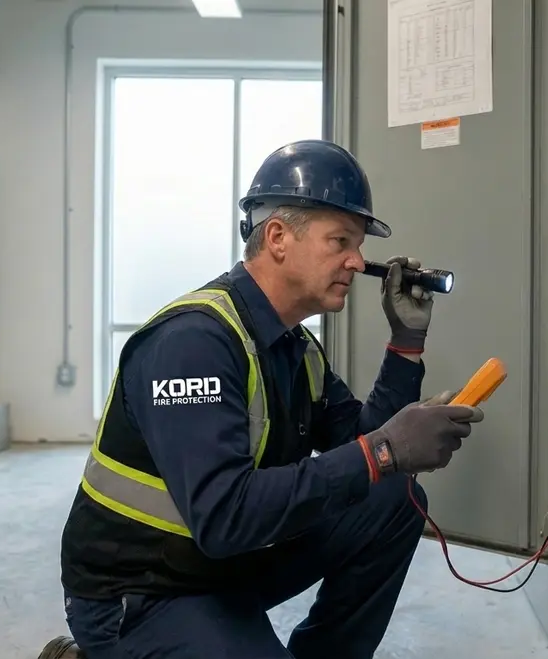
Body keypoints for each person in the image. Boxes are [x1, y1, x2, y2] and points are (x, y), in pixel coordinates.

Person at [42, 139, 485, 659]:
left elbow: (366, 447)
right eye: (340, 239)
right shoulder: (194, 344)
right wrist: (385, 450)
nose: (357, 261)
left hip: (224, 565)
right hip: (143, 592)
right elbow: (226, 516)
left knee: (392, 500)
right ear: (277, 237)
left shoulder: (293, 347)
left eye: (359, 244)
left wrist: (405, 346)